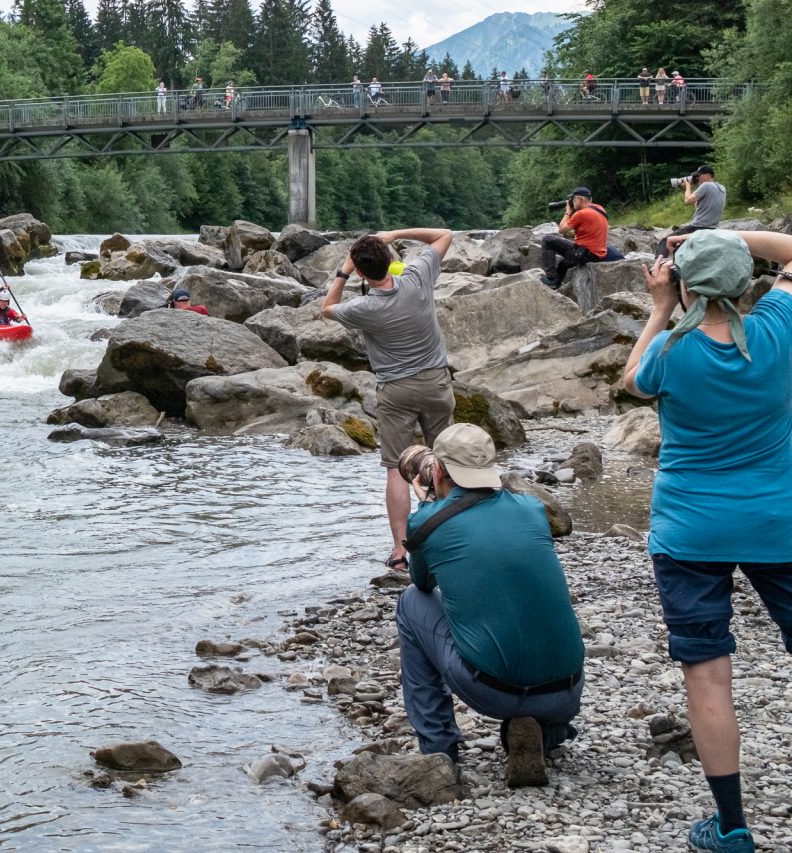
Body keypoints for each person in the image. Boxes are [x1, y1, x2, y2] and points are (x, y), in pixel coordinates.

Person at [620, 228, 792, 853]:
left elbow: (631, 378)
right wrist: (719, 236)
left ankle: (733, 827)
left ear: (684, 282)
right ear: (748, 283)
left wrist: (661, 307)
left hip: (690, 531)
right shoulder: (780, 325)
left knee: (708, 674)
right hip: (779, 523)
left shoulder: (671, 350)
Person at [395, 424, 585, 787]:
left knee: (409, 603)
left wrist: (427, 505)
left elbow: (422, 583)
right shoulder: (531, 509)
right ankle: (548, 732)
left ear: (437, 470)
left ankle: (439, 749)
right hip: (567, 690)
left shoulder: (428, 521)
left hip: (493, 693)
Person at [321, 226, 454, 572]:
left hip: (396, 389)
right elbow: (444, 235)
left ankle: (399, 552)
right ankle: (451, 531)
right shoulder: (416, 277)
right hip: (437, 382)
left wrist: (344, 270)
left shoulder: (363, 307)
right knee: (444, 459)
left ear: (362, 272)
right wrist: (394, 234)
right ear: (392, 259)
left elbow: (327, 307)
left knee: (396, 467)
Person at [539, 186, 608, 289]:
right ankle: (556, 283)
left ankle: (552, 279)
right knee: (563, 263)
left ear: (579, 199)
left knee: (548, 240)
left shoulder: (581, 214)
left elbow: (561, 230)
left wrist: (568, 212)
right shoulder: (600, 209)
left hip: (586, 254)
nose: (572, 202)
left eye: (573, 199)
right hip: (598, 255)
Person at [655, 165, 727, 258]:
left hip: (698, 227)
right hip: (712, 227)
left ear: (708, 175)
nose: (698, 178)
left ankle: (658, 263)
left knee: (665, 241)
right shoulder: (722, 188)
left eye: (699, 175)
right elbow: (697, 206)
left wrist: (688, 187)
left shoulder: (706, 186)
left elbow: (687, 201)